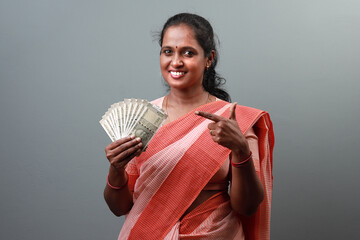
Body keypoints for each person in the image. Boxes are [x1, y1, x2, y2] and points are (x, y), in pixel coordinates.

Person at [103, 13, 274, 240]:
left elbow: (248, 207)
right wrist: (115, 170)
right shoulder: (141, 118)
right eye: (168, 51)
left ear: (209, 58)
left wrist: (240, 151)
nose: (176, 62)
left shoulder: (232, 121)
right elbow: (119, 207)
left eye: (188, 52)